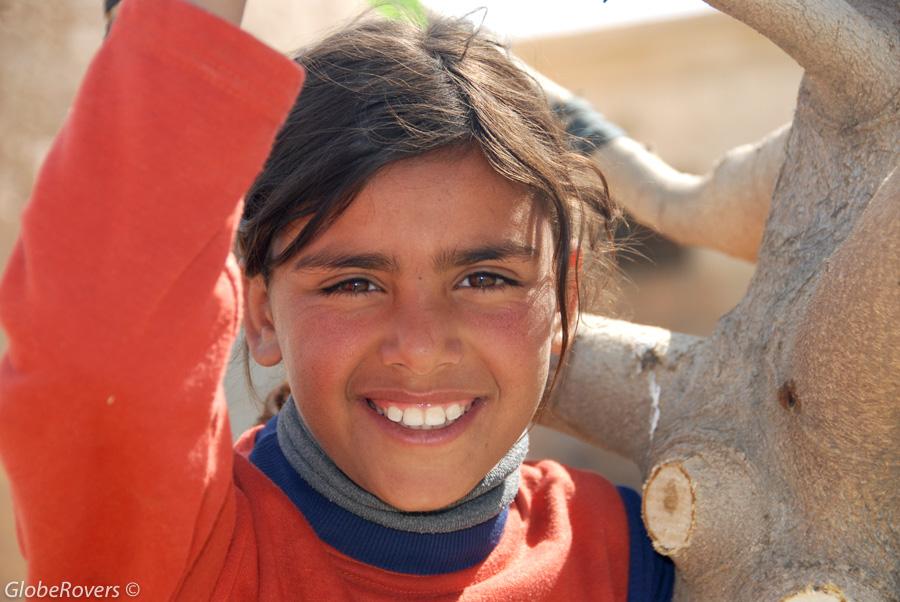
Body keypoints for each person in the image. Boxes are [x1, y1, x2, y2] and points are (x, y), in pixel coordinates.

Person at [0, 0, 673, 599]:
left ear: (564, 297)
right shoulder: (174, 557)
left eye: (483, 278)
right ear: (261, 314)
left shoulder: (627, 553)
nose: (419, 345)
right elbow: (93, 363)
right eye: (355, 284)